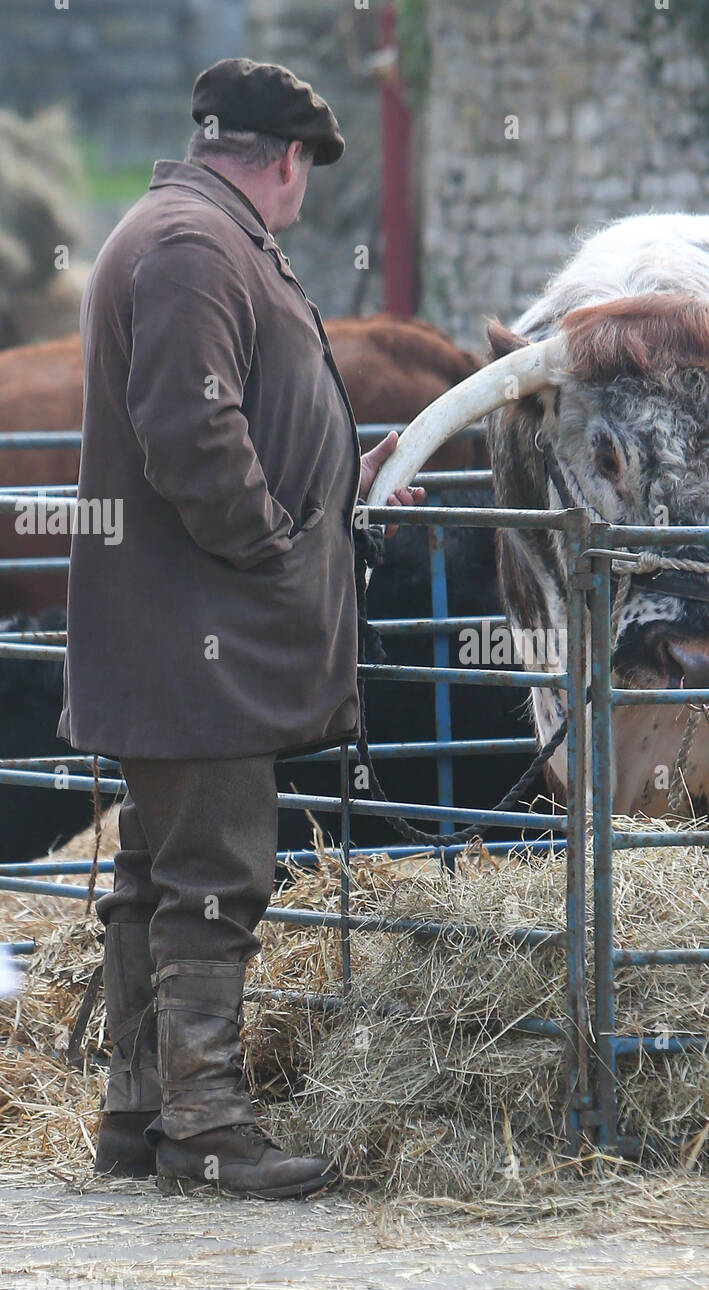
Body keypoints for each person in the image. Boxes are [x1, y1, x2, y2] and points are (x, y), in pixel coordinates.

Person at [58, 58, 422, 1198]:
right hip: (200, 640)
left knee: (155, 876)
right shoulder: (194, 249)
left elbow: (235, 417)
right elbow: (194, 439)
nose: (304, 188)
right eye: (307, 165)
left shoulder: (188, 236)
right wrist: (274, 545)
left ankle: (140, 1117)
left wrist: (336, 483)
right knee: (215, 875)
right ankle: (207, 1130)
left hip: (179, 637)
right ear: (282, 159)